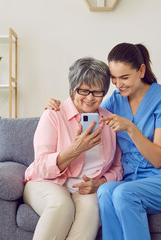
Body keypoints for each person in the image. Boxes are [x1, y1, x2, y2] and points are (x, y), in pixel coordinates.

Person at [46, 43, 161, 240]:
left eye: (124, 77)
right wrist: (59, 104)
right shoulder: (115, 100)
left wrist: (131, 128)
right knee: (105, 192)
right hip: (131, 180)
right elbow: (89, 104)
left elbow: (158, 159)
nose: (118, 84)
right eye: (113, 78)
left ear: (141, 71)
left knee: (124, 194)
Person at [24, 57, 123, 240]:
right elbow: (41, 167)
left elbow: (117, 168)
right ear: (72, 89)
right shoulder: (54, 114)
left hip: (86, 188)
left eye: (97, 91)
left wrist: (99, 183)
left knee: (91, 212)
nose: (90, 98)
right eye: (83, 90)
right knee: (62, 206)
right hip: (47, 182)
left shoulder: (109, 121)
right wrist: (76, 149)